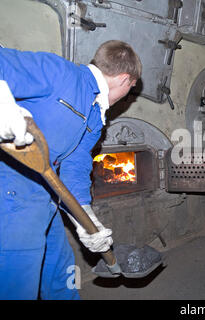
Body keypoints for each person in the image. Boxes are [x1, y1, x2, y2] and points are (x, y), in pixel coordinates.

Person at [0, 40, 142, 299]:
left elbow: (75, 166)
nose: (128, 95)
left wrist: (84, 218)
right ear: (124, 79)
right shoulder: (60, 73)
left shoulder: (95, 115)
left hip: (48, 196)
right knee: (17, 285)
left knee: (61, 274)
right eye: (132, 89)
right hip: (12, 195)